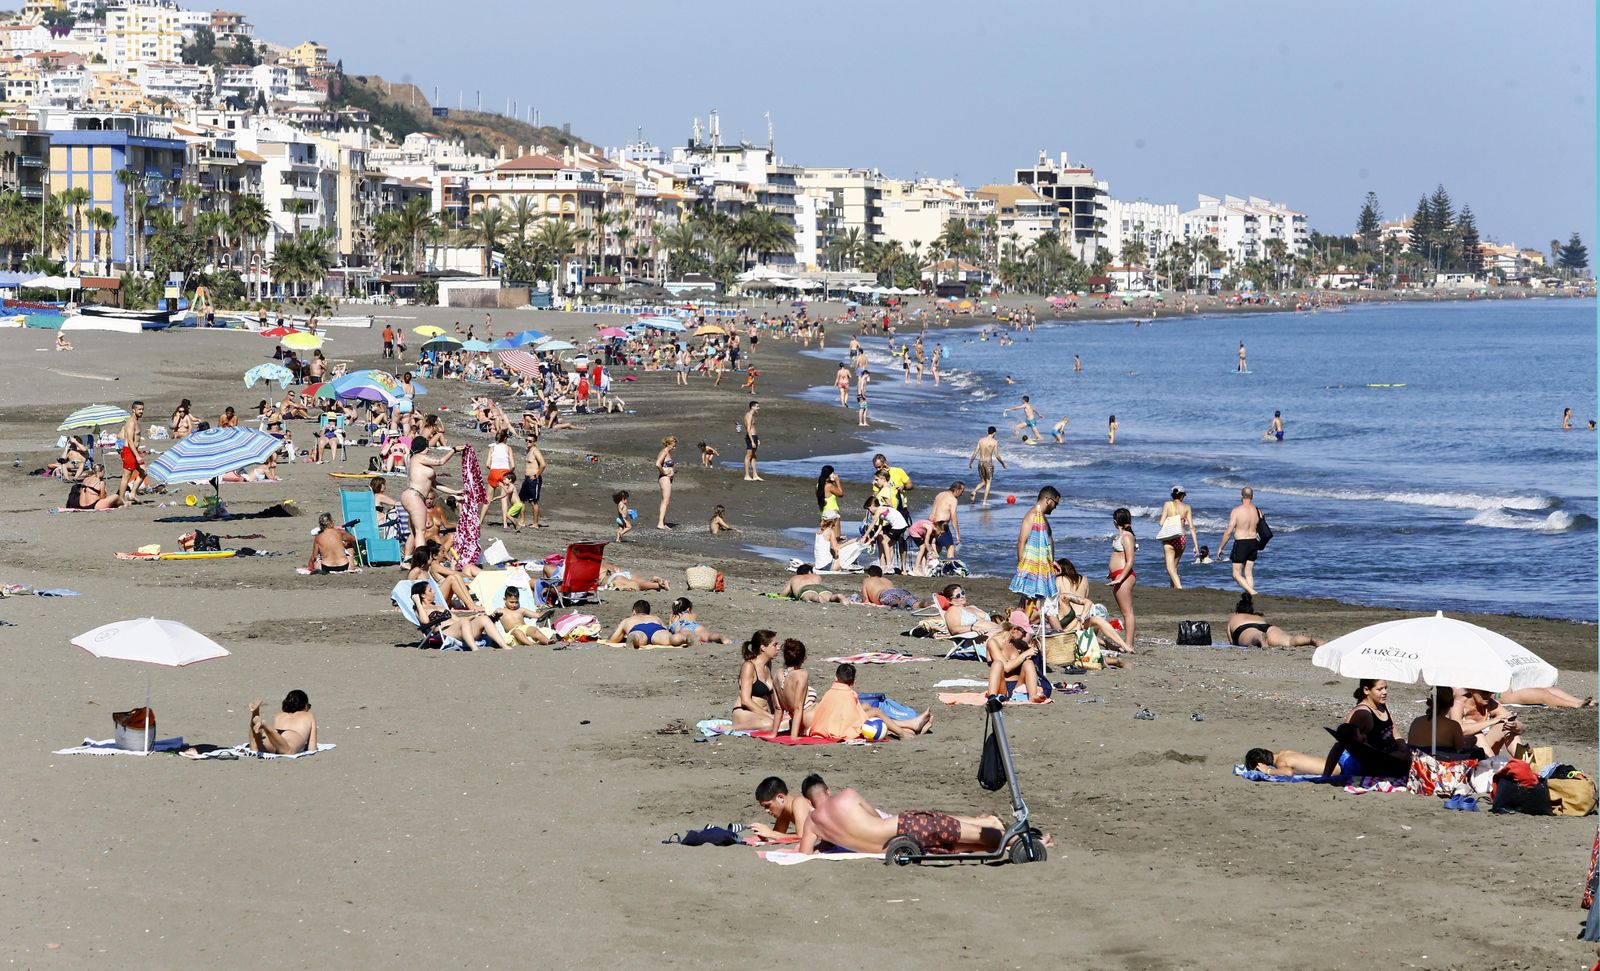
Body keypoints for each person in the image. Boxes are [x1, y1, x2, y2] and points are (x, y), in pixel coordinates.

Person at [797, 787, 1016, 856]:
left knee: (966, 846)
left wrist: (826, 842)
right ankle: (1016, 839)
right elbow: (875, 817)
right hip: (903, 827)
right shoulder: (846, 795)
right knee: (973, 835)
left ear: (809, 800)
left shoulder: (812, 823)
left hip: (898, 847)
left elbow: (804, 854)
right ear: (827, 790)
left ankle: (1010, 840)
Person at [811, 663, 932, 740]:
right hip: (839, 729)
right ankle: (903, 732)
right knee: (875, 712)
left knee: (866, 706)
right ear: (853, 682)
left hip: (825, 726)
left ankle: (911, 726)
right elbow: (853, 716)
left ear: (835, 678)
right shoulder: (849, 693)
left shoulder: (830, 692)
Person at [1320, 679, 1407, 777]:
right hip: (1370, 763)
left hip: (1390, 757)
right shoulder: (1363, 714)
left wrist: (1403, 747)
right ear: (1366, 690)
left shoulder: (1381, 705)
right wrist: (1326, 776)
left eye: (1385, 688)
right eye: (1380, 689)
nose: (1385, 692)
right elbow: (1340, 744)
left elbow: (1394, 732)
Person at [1044, 558, 1129, 653]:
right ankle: (1123, 645)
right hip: (1088, 614)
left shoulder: (1058, 579)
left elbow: (1054, 600)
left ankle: (1102, 643)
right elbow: (1086, 597)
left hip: (1071, 618)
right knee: (1094, 623)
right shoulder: (1084, 579)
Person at [401, 438, 465, 558]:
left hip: (412, 495)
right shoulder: (418, 457)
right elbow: (441, 461)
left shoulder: (419, 461)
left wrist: (455, 492)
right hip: (414, 495)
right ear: (425, 447)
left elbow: (435, 484)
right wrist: (454, 450)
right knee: (421, 531)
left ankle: (407, 558)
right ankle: (422, 560)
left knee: (415, 531)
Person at [1008, 486, 1059, 609]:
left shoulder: (1041, 516)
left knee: (1030, 600)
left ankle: (1021, 623)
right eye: (1055, 503)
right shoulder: (1032, 516)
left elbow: (1047, 540)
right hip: (1032, 564)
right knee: (1029, 599)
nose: (1056, 507)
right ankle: (1019, 624)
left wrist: (1052, 561)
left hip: (1043, 564)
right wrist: (1021, 565)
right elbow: (1021, 541)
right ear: (1048, 500)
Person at [984, 622, 1049, 702]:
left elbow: (1037, 657)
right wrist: (1025, 654)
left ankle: (1033, 696)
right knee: (997, 664)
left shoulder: (1018, 643)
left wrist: (1037, 651)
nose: (1024, 636)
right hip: (1002, 685)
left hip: (1018, 686)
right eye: (1024, 633)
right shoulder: (993, 642)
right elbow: (1006, 667)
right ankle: (992, 697)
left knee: (1028, 663)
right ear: (1014, 629)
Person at [733, 630, 784, 731]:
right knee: (773, 725)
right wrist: (771, 717)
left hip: (760, 715)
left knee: (786, 721)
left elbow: (770, 698)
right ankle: (731, 727)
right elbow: (746, 701)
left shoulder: (767, 665)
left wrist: (776, 714)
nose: (778, 648)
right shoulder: (749, 666)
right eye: (775, 645)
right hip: (744, 713)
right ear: (763, 648)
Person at [1226, 594, 1319, 648]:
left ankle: (1259, 637)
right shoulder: (1257, 617)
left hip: (1245, 628)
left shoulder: (1235, 617)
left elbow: (1232, 642)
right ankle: (1310, 640)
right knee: (1289, 641)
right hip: (1267, 627)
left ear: (1238, 610)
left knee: (1254, 635)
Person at [1217, 486, 1262, 596]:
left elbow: (1228, 532)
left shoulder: (1237, 511)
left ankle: (1252, 592)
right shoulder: (1258, 511)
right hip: (1253, 542)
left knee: (1236, 574)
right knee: (1248, 573)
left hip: (1241, 543)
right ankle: (1249, 597)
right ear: (1252, 496)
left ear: (1241, 496)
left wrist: (1221, 547)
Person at [247, 691, 317, 755]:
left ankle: (255, 713)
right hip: (292, 735)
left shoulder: (278, 715)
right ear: (305, 706)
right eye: (308, 706)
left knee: (255, 748)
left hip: (275, 735)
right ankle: (265, 726)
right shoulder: (309, 715)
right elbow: (312, 747)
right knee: (288, 751)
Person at [1106, 508, 1138, 649]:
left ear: (1115, 521)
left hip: (1123, 576)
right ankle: (1127, 643)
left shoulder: (1127, 536)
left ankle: (1129, 644)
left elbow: (1130, 561)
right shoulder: (1123, 535)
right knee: (1125, 612)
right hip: (1118, 575)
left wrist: (1120, 578)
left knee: (1127, 612)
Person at [773, 638, 816, 739]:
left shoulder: (778, 674)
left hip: (798, 722)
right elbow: (798, 707)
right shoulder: (801, 674)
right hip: (810, 719)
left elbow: (778, 708)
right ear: (803, 658)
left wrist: (773, 734)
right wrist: (793, 736)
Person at [1157, 486, 1199, 588]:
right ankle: (1173, 589)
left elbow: (1161, 523)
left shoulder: (1167, 504)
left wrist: (1171, 518)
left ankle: (1179, 588)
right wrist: (1196, 546)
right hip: (1181, 538)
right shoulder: (1187, 507)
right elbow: (1192, 527)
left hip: (1169, 538)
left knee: (1170, 568)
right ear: (1182, 496)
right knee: (1174, 567)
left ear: (1173, 495)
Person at [750, 776, 815, 842]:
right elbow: (777, 835)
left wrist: (770, 833)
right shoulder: (784, 811)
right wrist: (764, 835)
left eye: (768, 805)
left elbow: (803, 837)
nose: (766, 810)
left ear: (780, 798)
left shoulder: (799, 802)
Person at [606, 599, 688, 648]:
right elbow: (666, 629)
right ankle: (683, 638)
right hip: (656, 628)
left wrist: (620, 637)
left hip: (638, 629)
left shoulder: (628, 620)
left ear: (634, 612)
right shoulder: (655, 618)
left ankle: (633, 639)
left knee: (637, 636)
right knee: (669, 638)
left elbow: (614, 639)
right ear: (648, 612)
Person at [484, 429, 516, 530]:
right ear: (505, 438)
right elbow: (513, 465)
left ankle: (480, 521)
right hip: (504, 473)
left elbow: (487, 464)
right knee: (504, 499)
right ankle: (505, 524)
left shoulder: (492, 448)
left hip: (493, 472)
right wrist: (510, 473)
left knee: (488, 499)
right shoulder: (508, 448)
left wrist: (493, 469)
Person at [860, 565, 927, 610]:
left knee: (895, 602)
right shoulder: (887, 580)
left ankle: (898, 603)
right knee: (916, 605)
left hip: (885, 593)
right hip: (898, 590)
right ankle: (925, 603)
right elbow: (893, 592)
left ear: (869, 575)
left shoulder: (867, 580)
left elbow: (865, 599)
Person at [967, 427, 1006, 504]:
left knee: (983, 482)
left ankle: (974, 491)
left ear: (987, 432)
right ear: (994, 433)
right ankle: (984, 501)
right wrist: (1003, 463)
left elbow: (975, 453)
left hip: (980, 462)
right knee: (988, 483)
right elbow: (997, 455)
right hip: (988, 464)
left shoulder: (981, 440)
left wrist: (970, 463)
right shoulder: (994, 442)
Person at [118, 401, 147, 503]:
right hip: (130, 451)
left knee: (144, 472)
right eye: (139, 409)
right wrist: (137, 456)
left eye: (142, 409)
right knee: (127, 475)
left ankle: (132, 494)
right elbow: (130, 441)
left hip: (134, 451)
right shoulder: (131, 422)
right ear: (133, 410)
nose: (141, 411)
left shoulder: (135, 422)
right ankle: (121, 499)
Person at [928, 481, 963, 563]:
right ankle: (950, 567)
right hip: (941, 525)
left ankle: (929, 565)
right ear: (957, 490)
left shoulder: (940, 494)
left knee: (937, 547)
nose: (962, 494)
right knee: (950, 547)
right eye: (962, 491)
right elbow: (954, 517)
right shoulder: (953, 499)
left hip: (931, 523)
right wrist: (957, 534)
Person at [517, 431, 546, 529]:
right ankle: (522, 520)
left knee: (533, 501)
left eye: (530, 441)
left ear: (534, 442)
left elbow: (543, 464)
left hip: (534, 479)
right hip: (527, 479)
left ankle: (535, 523)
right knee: (521, 500)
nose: (527, 442)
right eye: (526, 440)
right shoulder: (528, 451)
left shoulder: (535, 451)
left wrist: (537, 475)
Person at [1243, 747, 1335, 777]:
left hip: (1338, 770)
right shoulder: (1283, 752)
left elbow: (1288, 772)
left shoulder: (1280, 762)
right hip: (1337, 761)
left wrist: (1268, 771)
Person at [779, 564, 847, 603]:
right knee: (829, 597)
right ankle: (837, 596)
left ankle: (817, 598)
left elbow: (784, 594)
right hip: (821, 588)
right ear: (809, 571)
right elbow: (817, 585)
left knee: (811, 595)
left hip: (806, 589)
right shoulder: (816, 576)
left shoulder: (795, 578)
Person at [654, 436, 677, 530]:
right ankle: (660, 524)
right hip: (664, 478)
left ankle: (663, 522)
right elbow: (657, 464)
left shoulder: (667, 452)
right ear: (668, 444)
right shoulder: (664, 452)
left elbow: (665, 464)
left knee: (665, 500)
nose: (675, 447)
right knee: (665, 501)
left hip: (668, 478)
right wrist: (664, 472)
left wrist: (672, 471)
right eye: (673, 445)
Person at [741, 402, 762, 481]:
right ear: (752, 407)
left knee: (753, 456)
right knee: (748, 456)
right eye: (757, 406)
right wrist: (752, 441)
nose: (758, 408)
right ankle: (746, 475)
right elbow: (748, 429)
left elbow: (753, 428)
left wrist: (757, 439)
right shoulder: (749, 415)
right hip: (751, 437)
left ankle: (755, 475)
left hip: (754, 437)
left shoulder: (752, 415)